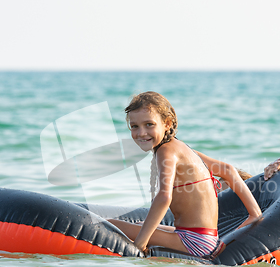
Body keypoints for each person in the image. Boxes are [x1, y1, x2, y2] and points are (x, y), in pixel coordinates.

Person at [108, 91, 264, 258]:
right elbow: (227, 170)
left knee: (109, 225)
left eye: (149, 124)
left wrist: (140, 244)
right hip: (207, 238)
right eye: (134, 126)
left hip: (194, 242)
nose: (141, 133)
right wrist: (254, 213)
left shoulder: (166, 151)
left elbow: (164, 197)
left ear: (167, 124)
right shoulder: (181, 148)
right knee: (139, 224)